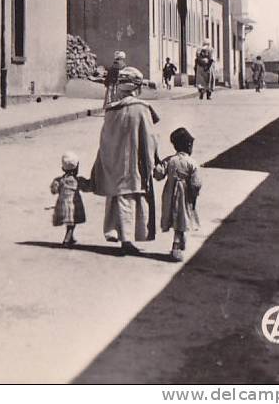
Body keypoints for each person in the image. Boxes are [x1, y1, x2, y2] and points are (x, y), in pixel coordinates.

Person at [82, 66, 159, 255]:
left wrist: (104, 163)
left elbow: (104, 139)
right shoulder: (141, 109)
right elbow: (150, 140)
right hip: (133, 163)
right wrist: (152, 163)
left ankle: (113, 231)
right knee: (129, 199)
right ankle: (126, 240)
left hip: (113, 162)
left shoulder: (111, 110)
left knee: (116, 196)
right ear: (137, 88)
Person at [154, 126, 202, 262]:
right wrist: (194, 194)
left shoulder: (169, 160)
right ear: (188, 145)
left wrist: (157, 161)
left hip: (170, 194)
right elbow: (196, 183)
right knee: (182, 218)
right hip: (185, 195)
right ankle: (176, 246)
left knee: (175, 217)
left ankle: (180, 242)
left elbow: (158, 174)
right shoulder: (192, 163)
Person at [50, 151, 86, 248]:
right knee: (72, 223)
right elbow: (88, 187)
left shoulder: (59, 180)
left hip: (62, 205)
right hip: (74, 205)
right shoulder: (78, 180)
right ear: (77, 167)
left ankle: (71, 238)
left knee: (69, 222)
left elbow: (53, 190)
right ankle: (67, 239)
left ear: (62, 168)